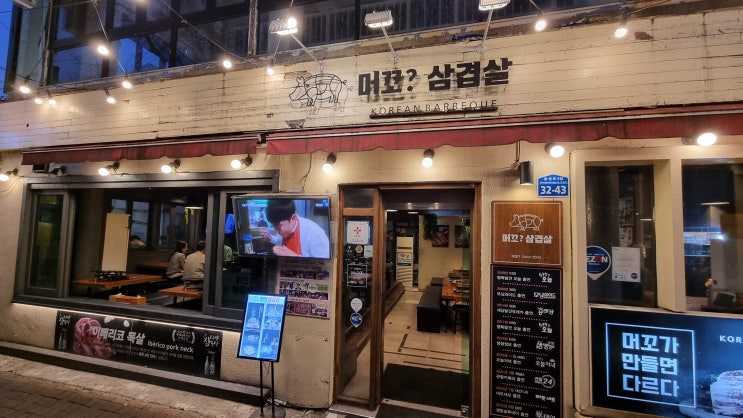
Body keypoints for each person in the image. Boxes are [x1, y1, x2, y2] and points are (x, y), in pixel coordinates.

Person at [262, 199, 330, 258]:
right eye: (273, 226)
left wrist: (293, 256)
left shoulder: (316, 234)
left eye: (278, 226)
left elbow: (323, 265)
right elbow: (280, 241)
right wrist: (271, 238)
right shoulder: (282, 228)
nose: (276, 231)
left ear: (293, 218)